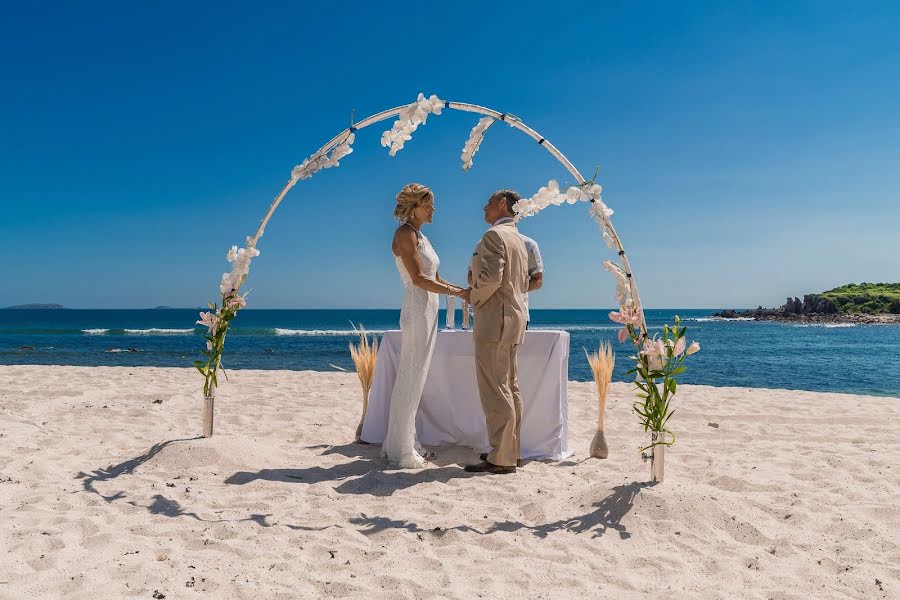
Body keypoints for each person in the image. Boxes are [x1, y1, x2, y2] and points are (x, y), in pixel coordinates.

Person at [383, 183, 466, 468]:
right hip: (417, 309)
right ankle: (402, 448)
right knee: (410, 375)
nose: (433, 210)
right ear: (413, 206)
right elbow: (418, 278)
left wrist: (462, 290)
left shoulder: (422, 237)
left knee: (416, 377)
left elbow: (438, 278)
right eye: (428, 205)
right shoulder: (404, 234)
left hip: (431, 309)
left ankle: (406, 440)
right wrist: (458, 293)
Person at [461, 190, 529, 474]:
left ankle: (501, 458)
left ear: (503, 204)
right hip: (514, 320)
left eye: (489, 202)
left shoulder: (494, 236)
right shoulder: (519, 240)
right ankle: (510, 451)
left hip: (495, 321)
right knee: (510, 386)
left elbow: (490, 280)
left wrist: (471, 295)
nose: (484, 206)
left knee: (495, 388)